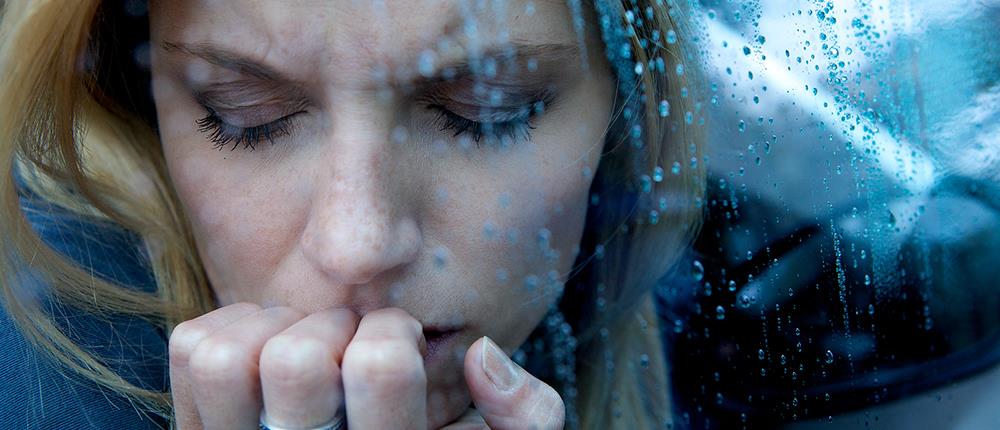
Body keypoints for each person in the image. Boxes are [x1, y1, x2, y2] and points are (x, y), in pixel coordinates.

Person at [0, 0, 704, 429]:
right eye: (245, 116)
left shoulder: (729, 313)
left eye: (489, 112)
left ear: (625, 108)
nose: (356, 244)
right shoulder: (38, 354)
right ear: (135, 96)